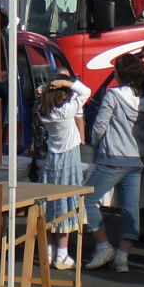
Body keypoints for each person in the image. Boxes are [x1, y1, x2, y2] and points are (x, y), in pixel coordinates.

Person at [84, 54, 144, 272]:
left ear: (120, 73)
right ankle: (123, 255)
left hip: (112, 156)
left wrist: (95, 143)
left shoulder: (112, 95)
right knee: (131, 208)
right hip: (136, 159)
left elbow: (100, 125)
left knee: (87, 200)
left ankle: (103, 245)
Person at [33, 72, 91, 271]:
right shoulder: (68, 109)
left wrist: (45, 89)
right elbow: (86, 91)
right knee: (66, 205)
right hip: (69, 159)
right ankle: (62, 253)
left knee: (49, 204)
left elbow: (39, 97)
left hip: (52, 158)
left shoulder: (43, 112)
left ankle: (47, 252)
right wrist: (67, 82)